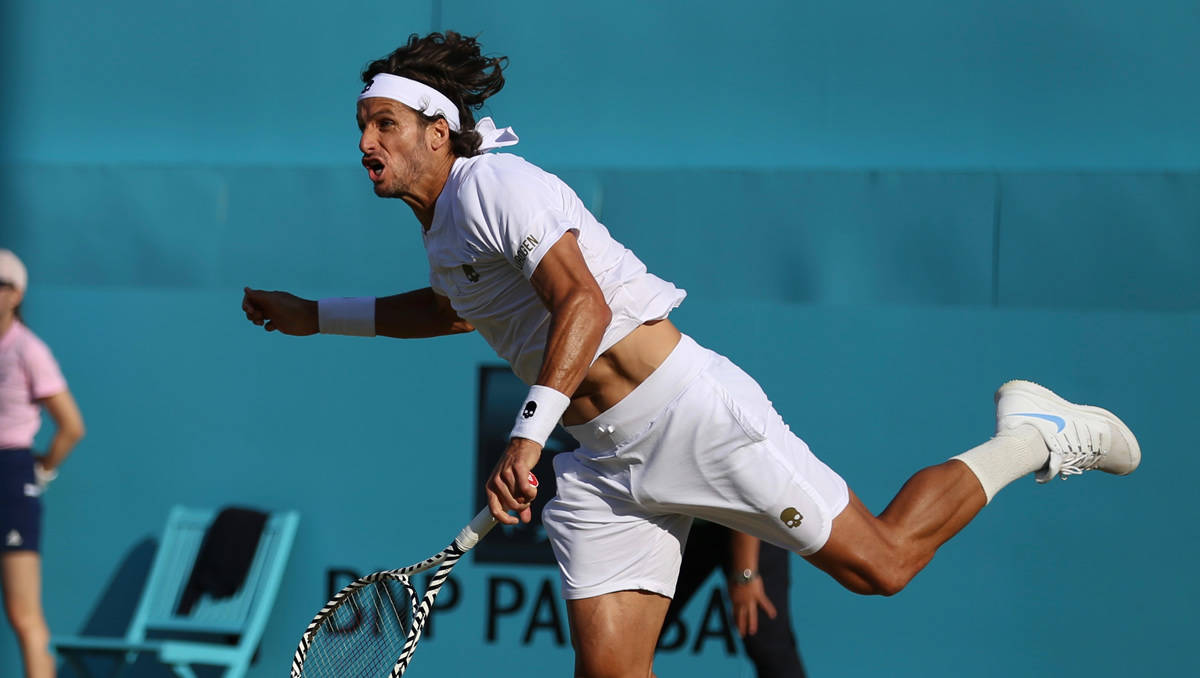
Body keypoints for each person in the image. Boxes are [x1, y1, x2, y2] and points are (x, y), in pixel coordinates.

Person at [240, 32, 1140, 678]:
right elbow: (446, 311)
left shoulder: (496, 184)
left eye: (385, 124)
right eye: (361, 126)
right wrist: (313, 314)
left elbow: (581, 301)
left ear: (439, 130)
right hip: (601, 464)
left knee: (884, 566)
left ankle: (1032, 434)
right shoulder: (443, 233)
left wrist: (524, 436)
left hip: (687, 413)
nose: (366, 144)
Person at [0, 249, 86, 678]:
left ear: (14, 294)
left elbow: (71, 426)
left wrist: (43, 470)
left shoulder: (29, 350)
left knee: (23, 615)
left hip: (12, 478)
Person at [661, 525, 806, 677]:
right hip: (681, 520)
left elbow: (751, 502)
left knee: (768, 643)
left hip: (751, 523)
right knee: (642, 636)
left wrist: (745, 574)